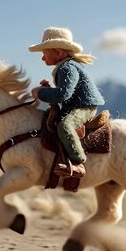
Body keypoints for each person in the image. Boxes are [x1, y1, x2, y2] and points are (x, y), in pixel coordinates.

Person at [29, 27, 105, 178]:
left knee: (65, 126)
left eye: (44, 52)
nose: (42, 58)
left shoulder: (67, 68)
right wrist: (49, 90)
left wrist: (41, 93)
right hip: (76, 104)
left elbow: (63, 94)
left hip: (85, 106)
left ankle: (78, 162)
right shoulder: (64, 67)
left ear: (58, 52)